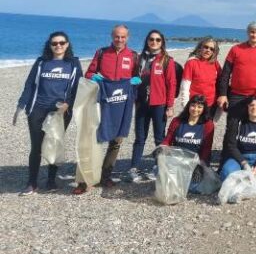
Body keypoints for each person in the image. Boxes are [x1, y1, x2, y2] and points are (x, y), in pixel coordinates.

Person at [14, 32, 83, 195]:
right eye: (54, 43)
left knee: (54, 144)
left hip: (60, 112)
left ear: (67, 44)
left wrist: (68, 104)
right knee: (36, 147)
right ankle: (32, 183)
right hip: (38, 109)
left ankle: (51, 180)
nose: (58, 46)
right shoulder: (41, 62)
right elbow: (29, 84)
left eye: (61, 43)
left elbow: (77, 88)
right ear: (50, 45)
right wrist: (21, 106)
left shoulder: (73, 63)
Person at [78, 24, 141, 194]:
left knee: (116, 141)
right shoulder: (101, 53)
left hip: (121, 105)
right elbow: (88, 73)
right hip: (101, 103)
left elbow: (138, 77)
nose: (119, 40)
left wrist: (135, 81)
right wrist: (95, 77)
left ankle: (106, 175)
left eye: (123, 37)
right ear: (112, 36)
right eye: (116, 36)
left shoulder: (134, 56)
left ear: (128, 37)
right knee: (95, 139)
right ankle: (87, 178)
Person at [128, 30, 177, 183]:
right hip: (142, 104)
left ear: (162, 42)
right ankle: (134, 168)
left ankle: (159, 167)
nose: (154, 42)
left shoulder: (167, 60)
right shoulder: (140, 58)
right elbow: (133, 78)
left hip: (159, 104)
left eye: (157, 40)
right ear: (147, 41)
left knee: (159, 138)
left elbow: (172, 84)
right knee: (140, 138)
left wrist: (170, 106)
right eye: (151, 39)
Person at [216, 21, 256, 117]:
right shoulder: (235, 49)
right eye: (252, 32)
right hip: (236, 95)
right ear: (248, 32)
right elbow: (225, 73)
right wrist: (223, 94)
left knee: (253, 129)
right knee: (232, 129)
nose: (254, 35)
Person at [219, 96, 256, 194]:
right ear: (247, 107)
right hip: (238, 158)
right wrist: (244, 163)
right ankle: (244, 181)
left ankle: (242, 183)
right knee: (226, 173)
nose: (255, 108)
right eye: (252, 105)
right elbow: (231, 146)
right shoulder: (237, 123)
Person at [179, 37, 222, 110]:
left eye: (211, 49)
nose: (208, 50)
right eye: (206, 47)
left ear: (214, 52)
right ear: (200, 47)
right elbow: (185, 86)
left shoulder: (215, 63)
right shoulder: (191, 63)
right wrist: (185, 105)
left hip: (211, 104)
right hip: (196, 104)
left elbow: (221, 81)